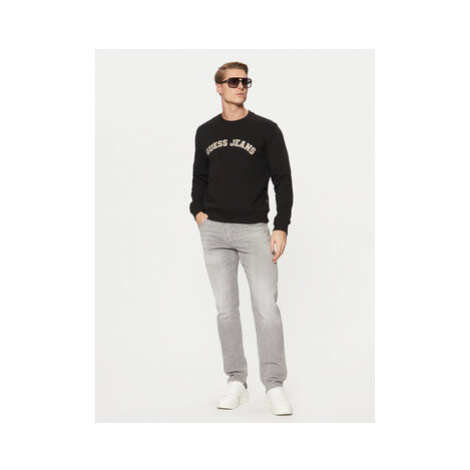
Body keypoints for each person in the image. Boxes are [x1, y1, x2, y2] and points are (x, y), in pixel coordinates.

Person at [189, 61, 294, 416]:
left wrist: (281, 225)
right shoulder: (205, 132)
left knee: (266, 309)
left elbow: (283, 179)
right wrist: (198, 212)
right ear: (218, 87)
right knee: (225, 310)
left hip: (253, 231)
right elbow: (199, 177)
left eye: (245, 81)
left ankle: (274, 385)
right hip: (214, 231)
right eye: (233, 81)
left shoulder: (266, 130)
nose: (240, 86)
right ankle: (237, 381)